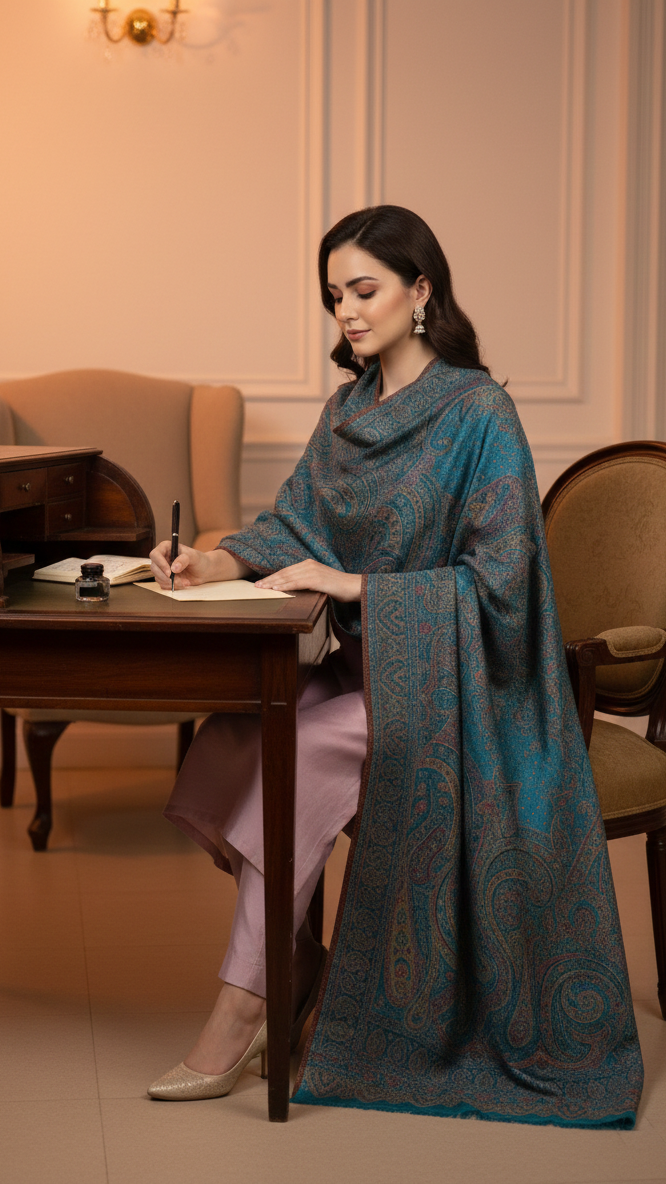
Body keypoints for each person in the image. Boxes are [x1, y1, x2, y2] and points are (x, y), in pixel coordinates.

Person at [147, 206, 643, 1127]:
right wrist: (211, 561)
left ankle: (242, 1009)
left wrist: (351, 582)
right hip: (374, 669)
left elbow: (504, 582)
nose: (346, 310)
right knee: (231, 735)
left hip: (464, 681)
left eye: (365, 289)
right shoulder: (347, 410)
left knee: (297, 760)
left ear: (421, 291)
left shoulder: (478, 411)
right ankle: (293, 973)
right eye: (334, 294)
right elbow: (293, 524)